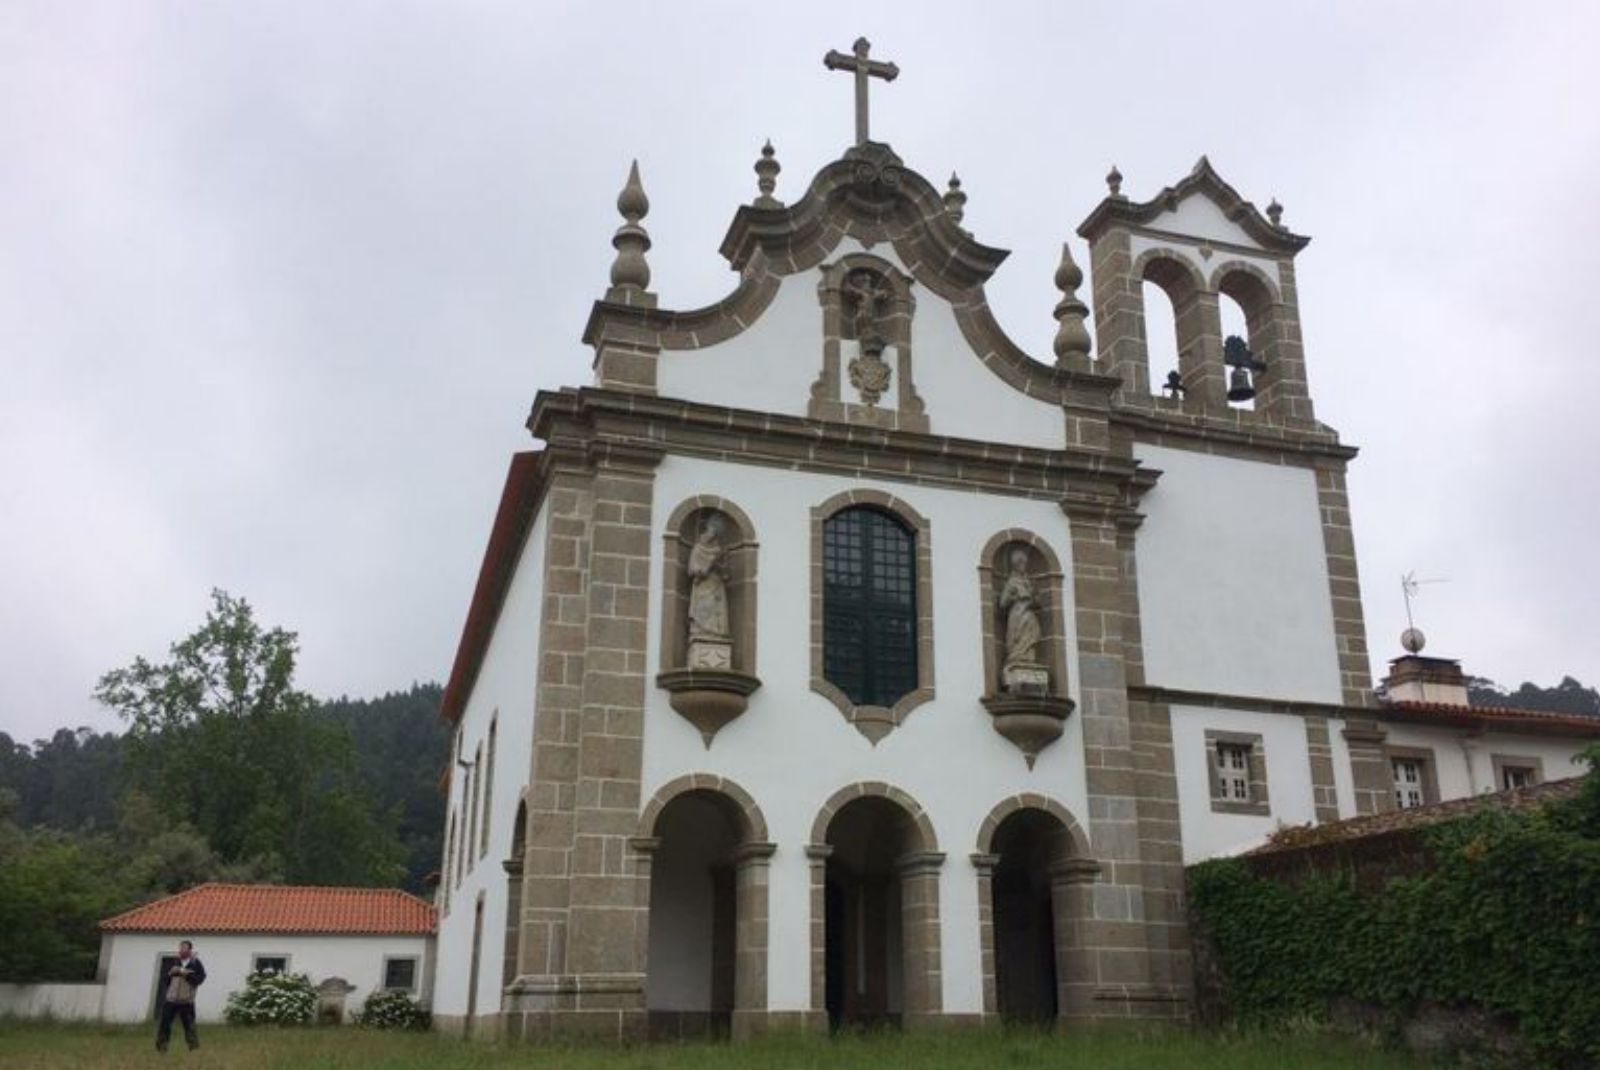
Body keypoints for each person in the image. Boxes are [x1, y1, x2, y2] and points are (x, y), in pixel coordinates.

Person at [156, 939, 206, 1052]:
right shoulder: (174, 962)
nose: (181, 950)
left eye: (184, 948)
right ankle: (162, 1048)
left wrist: (186, 974)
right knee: (164, 1025)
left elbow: (199, 980)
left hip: (187, 1001)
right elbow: (165, 980)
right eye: (180, 948)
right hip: (171, 1000)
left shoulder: (196, 963)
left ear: (190, 950)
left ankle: (193, 1049)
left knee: (189, 1026)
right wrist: (170, 974)